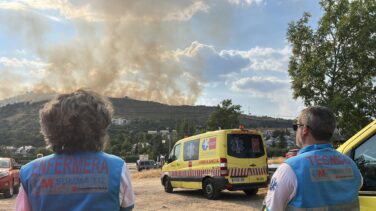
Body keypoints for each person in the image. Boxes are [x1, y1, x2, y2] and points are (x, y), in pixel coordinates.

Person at [16, 89, 135, 211]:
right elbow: (127, 207)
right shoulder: (117, 167)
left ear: (49, 127)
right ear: (101, 126)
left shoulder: (29, 172)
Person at [265, 106, 362, 211]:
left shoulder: (290, 169)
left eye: (296, 126)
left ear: (305, 129)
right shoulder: (351, 165)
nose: (295, 131)